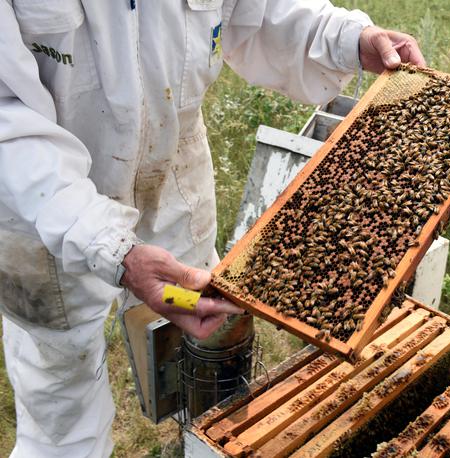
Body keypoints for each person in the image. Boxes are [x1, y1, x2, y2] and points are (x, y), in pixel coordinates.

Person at [0, 0, 425, 456]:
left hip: (173, 181)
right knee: (64, 406)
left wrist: (341, 38)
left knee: (205, 338)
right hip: (41, 205)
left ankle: (200, 443)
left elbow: (256, 12)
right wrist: (112, 247)